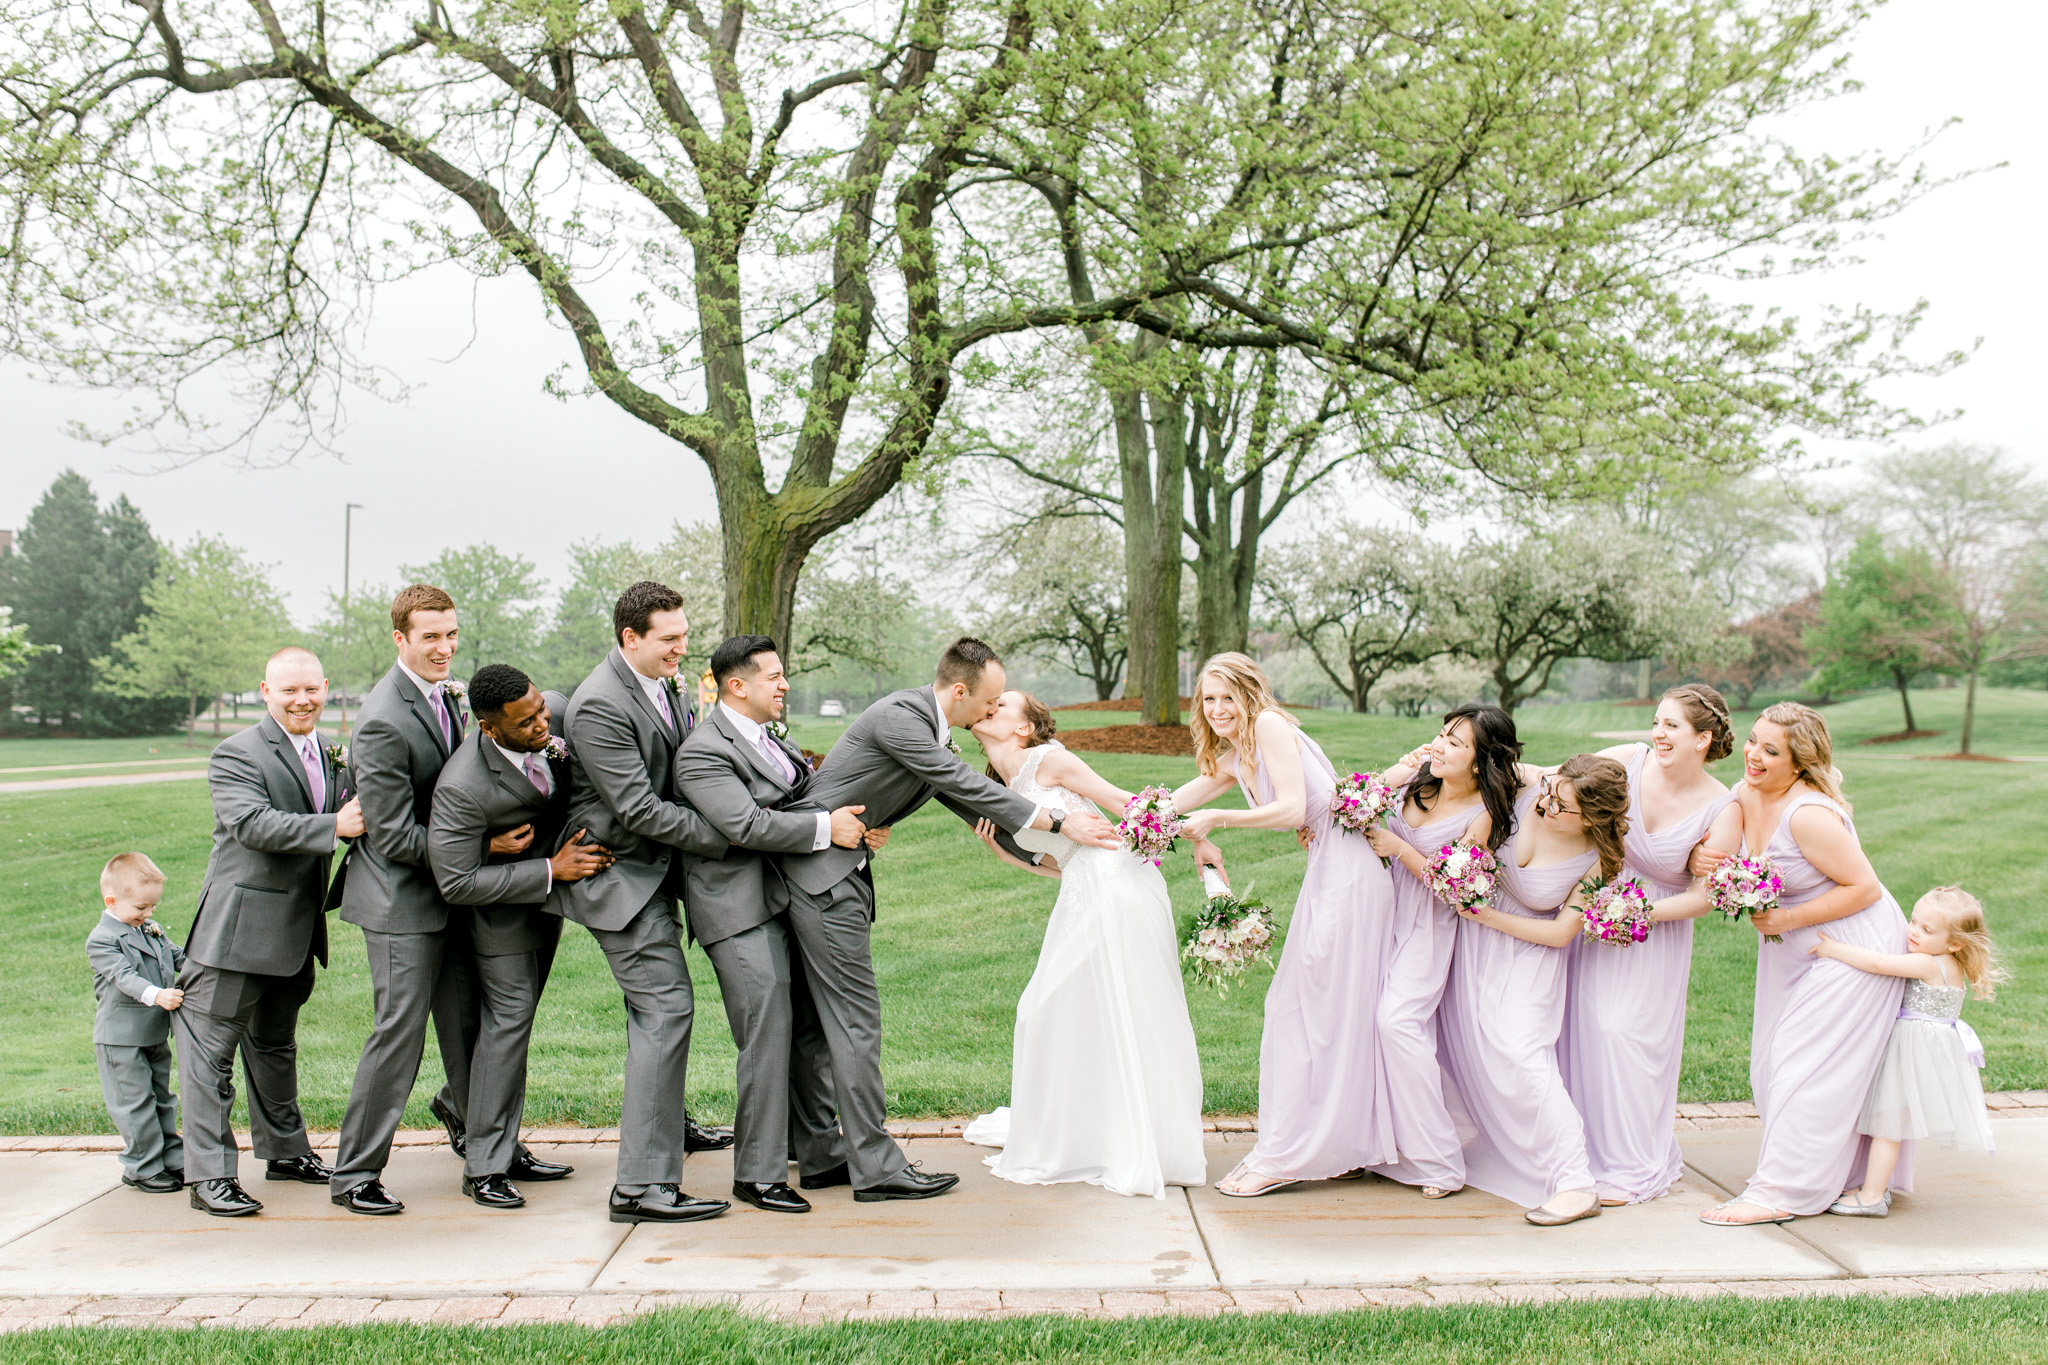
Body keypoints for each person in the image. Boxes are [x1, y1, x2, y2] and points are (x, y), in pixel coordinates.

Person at [779, 638, 1121, 1203]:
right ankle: (878, 1168)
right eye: (987, 703)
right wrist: (1059, 822)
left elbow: (971, 803)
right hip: (821, 878)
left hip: (834, 876)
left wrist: (1058, 855)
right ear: (959, 692)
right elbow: (960, 781)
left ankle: (822, 1156)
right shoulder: (902, 718)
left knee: (820, 1026)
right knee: (855, 1023)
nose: (991, 713)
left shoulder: (932, 732)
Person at [960, 691, 1206, 1199]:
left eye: (1002, 704)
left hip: (1116, 889)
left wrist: (1198, 836)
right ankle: (1089, 1134)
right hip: (1080, 891)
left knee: (1060, 1010)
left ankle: (1127, 1139)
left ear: (1024, 728)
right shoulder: (1003, 785)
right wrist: (1009, 858)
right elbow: (1064, 857)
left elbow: (1123, 805)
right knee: (1073, 1013)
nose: (989, 704)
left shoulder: (1049, 760)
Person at [1173, 652, 1397, 1198]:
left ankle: (1289, 1154)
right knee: (1321, 1011)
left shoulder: (1270, 725)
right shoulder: (1233, 757)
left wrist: (1217, 819)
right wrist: (1104, 823)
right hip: (1330, 874)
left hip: (1352, 876)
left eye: (1229, 697)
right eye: (1209, 699)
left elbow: (1295, 808)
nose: (1219, 708)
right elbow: (1171, 805)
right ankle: (1342, 1145)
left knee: (1309, 1009)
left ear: (1250, 695)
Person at [551, 581, 734, 1225]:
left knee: (652, 1011)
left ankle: (664, 1131)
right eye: (670, 639)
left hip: (654, 872)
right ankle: (640, 1187)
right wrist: (732, 834)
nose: (683, 649)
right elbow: (637, 808)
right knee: (665, 1006)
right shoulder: (600, 704)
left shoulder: (667, 682)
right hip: (619, 876)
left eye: (685, 635)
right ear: (630, 637)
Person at [672, 635, 871, 1214]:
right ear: (739, 685)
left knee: (806, 1029)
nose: (785, 685)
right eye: (775, 676)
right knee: (766, 1034)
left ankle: (820, 1152)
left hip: (784, 901)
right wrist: (824, 831)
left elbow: (800, 799)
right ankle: (756, 1174)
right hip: (735, 912)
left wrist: (854, 822)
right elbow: (745, 825)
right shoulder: (703, 752)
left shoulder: (769, 738)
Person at [1698, 702, 1913, 1227]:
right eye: (1753, 741)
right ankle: (1840, 1175)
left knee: (1803, 1064)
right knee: (1770, 1065)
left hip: (1850, 945)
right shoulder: (1747, 792)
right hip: (1793, 949)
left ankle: (1781, 1192)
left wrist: (1788, 918)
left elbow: (1863, 889)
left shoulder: (1809, 814)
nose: (1752, 754)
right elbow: (1713, 849)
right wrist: (1706, 862)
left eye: (1771, 750)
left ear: (1799, 763)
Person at [180, 647, 361, 1217]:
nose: (302, 700)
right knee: (210, 1054)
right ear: (265, 691)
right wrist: (335, 824)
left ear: (326, 687)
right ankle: (209, 1177)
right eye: (289, 691)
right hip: (235, 934)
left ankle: (285, 1151)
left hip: (294, 934)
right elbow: (251, 824)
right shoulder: (236, 753)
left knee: (274, 1045)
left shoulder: (331, 756)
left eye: (311, 689)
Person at [427, 664, 613, 1209]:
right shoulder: (464, 786)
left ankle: (487, 1127)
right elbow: (456, 882)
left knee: (515, 1027)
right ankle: (485, 1167)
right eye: (527, 720)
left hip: (542, 912)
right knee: (507, 1027)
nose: (543, 723)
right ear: (489, 728)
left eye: (540, 710)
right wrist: (552, 870)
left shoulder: (544, 720)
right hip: (498, 920)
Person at [329, 585, 488, 1215]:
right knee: (399, 1034)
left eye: (451, 634)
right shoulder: (381, 719)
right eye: (431, 637)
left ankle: (487, 1143)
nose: (445, 648)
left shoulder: (447, 694)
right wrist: (482, 851)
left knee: (469, 1023)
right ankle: (354, 1173)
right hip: (400, 903)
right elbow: (392, 835)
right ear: (400, 638)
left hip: (449, 895)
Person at [1426, 754, 1629, 1227]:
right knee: (1468, 1052)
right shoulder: (1524, 791)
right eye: (1551, 792)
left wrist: (1486, 916)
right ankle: (1463, 1141)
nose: (1548, 806)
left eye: (1563, 806)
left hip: (1531, 957)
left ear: (1593, 817)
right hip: (1476, 951)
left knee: (1523, 1056)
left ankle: (1575, 1182)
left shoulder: (1599, 859)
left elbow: (1562, 934)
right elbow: (1453, 766)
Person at [1562, 684, 1739, 1205]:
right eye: (1656, 722)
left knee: (1626, 1037)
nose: (1657, 734)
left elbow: (1703, 898)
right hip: (1593, 908)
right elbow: (1556, 787)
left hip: (1652, 933)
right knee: (1581, 1028)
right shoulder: (1626, 762)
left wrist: (1632, 912)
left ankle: (1633, 1163)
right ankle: (1579, 1154)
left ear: (1703, 739)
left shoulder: (1721, 807)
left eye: (1672, 726)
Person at [1361, 703, 1524, 1200]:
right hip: (1377, 918)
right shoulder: (1418, 782)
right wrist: (1401, 771)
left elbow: (1456, 891)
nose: (1440, 745)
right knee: (1363, 1026)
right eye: (1442, 734)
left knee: (1397, 1023)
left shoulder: (1483, 817)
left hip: (1427, 930)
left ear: (1479, 762)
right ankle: (1377, 1142)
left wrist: (1400, 848)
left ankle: (1440, 1160)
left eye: (1456, 742)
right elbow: (1352, 805)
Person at [1817, 885, 2006, 1217]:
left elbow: (1877, 963)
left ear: (1955, 942)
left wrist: (1833, 949)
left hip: (1912, 1049)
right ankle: (1875, 1185)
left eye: (1927, 929)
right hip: (1930, 1049)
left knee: (1887, 1124)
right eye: (1913, 921)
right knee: (1893, 1123)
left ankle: (1873, 1194)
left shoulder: (1927, 963)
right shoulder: (1951, 963)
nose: (1913, 931)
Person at [88, 853, 186, 1195]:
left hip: (154, 1032)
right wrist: (158, 994)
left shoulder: (147, 929)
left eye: (153, 908)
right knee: (135, 1103)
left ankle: (172, 1158)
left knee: (162, 1097)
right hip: (121, 1039)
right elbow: (124, 977)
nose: (148, 915)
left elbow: (178, 956)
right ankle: (142, 1166)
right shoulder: (102, 940)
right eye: (141, 908)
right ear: (111, 901)